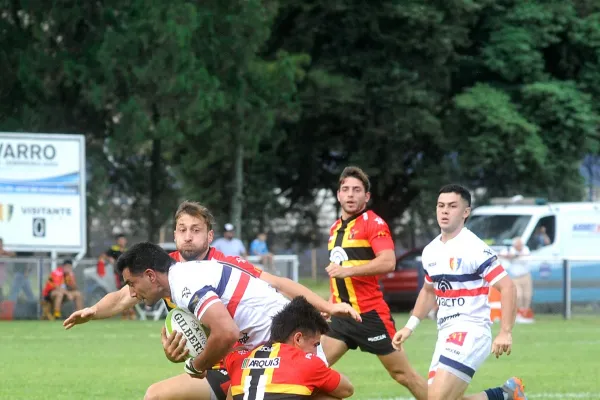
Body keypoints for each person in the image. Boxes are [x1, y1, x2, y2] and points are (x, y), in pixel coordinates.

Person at [64, 201, 359, 400]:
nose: (188, 237)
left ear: (210, 236)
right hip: (233, 360)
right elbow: (122, 296)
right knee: (156, 395)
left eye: (196, 230)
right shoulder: (168, 271)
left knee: (329, 392)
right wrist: (91, 310)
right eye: (182, 230)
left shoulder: (201, 273)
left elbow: (273, 290)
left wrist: (327, 306)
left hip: (267, 348)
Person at [115, 242, 358, 396]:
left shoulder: (184, 284)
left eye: (132, 284)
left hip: (287, 345)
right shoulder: (184, 278)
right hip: (258, 349)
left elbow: (226, 333)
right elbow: (222, 333)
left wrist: (196, 365)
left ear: (150, 275)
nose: (133, 292)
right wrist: (188, 353)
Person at [392, 184, 527, 400]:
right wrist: (409, 327)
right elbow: (428, 291)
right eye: (441, 206)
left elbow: (508, 287)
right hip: (445, 333)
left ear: (466, 212)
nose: (444, 211)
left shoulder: (474, 248)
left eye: (452, 206)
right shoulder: (431, 251)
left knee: (437, 398)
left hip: (471, 330)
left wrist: (505, 332)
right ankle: (506, 395)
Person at [321, 166, 427, 400]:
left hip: (370, 315)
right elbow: (336, 274)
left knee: (403, 375)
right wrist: (330, 305)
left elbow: (388, 262)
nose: (350, 195)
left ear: (366, 197)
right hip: (341, 316)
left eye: (357, 190)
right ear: (338, 195)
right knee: (313, 369)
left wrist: (348, 271)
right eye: (345, 189)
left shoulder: (374, 223)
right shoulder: (334, 229)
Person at [224, 296, 354, 400]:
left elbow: (230, 356)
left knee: (234, 388)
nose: (315, 352)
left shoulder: (238, 359)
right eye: (315, 344)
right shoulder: (308, 363)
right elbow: (347, 390)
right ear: (298, 338)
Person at [98, 233, 134, 320]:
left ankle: (129, 312)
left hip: (129, 275)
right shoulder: (114, 250)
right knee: (124, 293)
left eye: (123, 240)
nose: (122, 242)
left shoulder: (127, 251)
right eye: (120, 240)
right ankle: (127, 313)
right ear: (118, 241)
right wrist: (109, 259)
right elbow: (102, 256)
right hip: (119, 275)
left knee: (130, 293)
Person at [501, 237, 534, 324]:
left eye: (521, 245)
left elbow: (524, 258)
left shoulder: (526, 249)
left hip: (526, 276)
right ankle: (518, 314)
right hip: (514, 277)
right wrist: (510, 256)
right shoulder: (508, 250)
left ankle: (525, 314)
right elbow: (502, 256)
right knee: (518, 295)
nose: (520, 246)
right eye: (518, 245)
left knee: (527, 296)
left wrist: (514, 256)